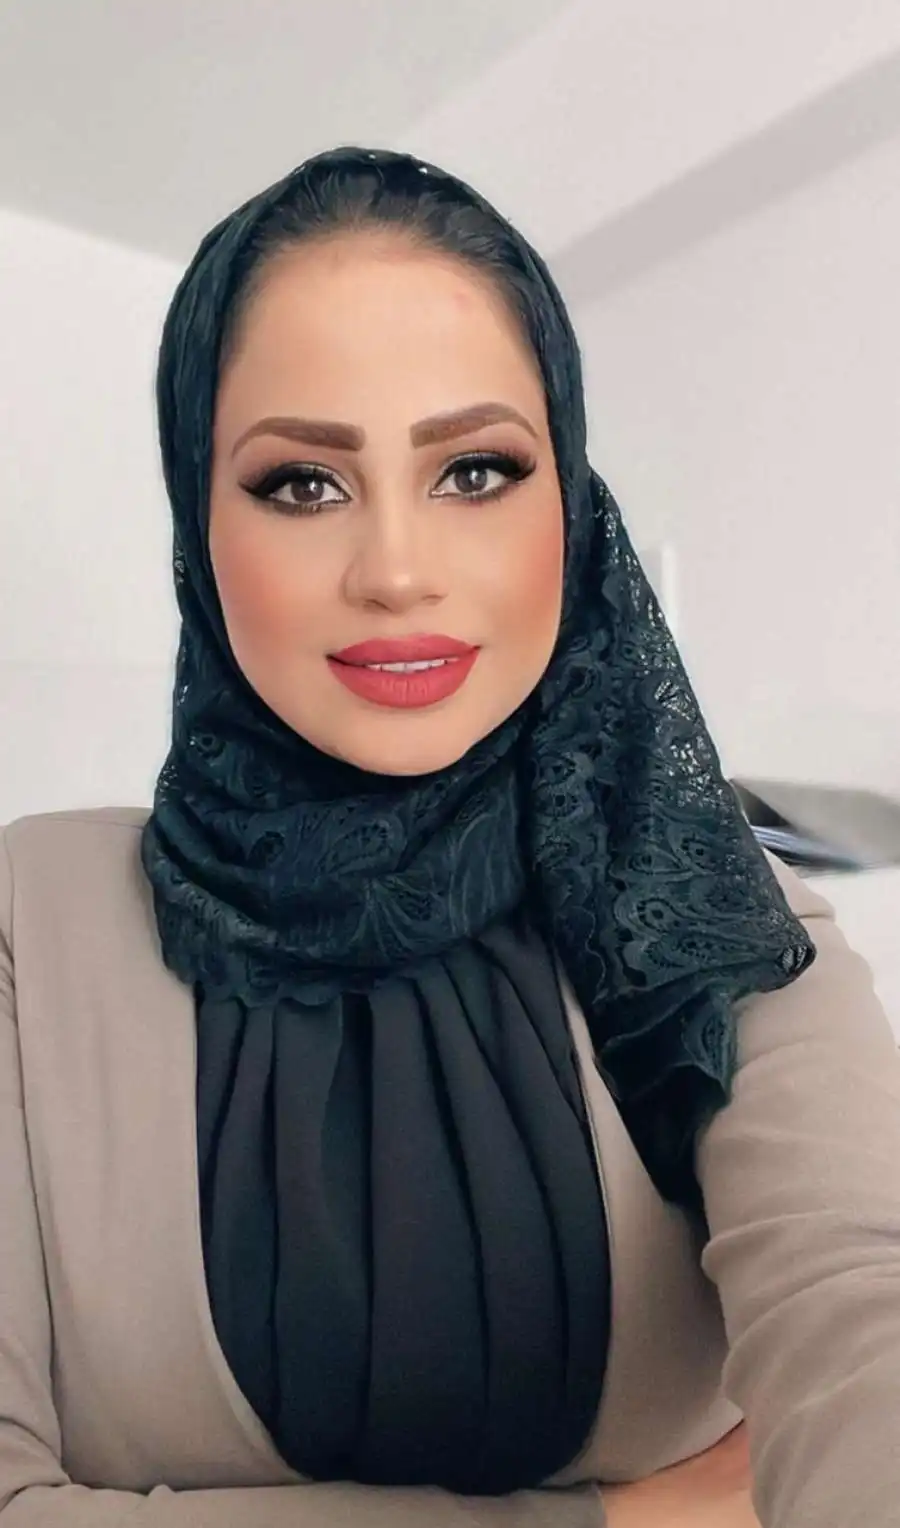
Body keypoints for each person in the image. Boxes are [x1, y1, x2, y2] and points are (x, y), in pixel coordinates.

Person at [1, 147, 898, 1528]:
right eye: (303, 483)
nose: (397, 571)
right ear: (197, 522)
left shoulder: (716, 910)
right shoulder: (29, 927)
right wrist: (630, 1517)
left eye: (476, 470)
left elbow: (865, 1316)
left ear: (572, 508)